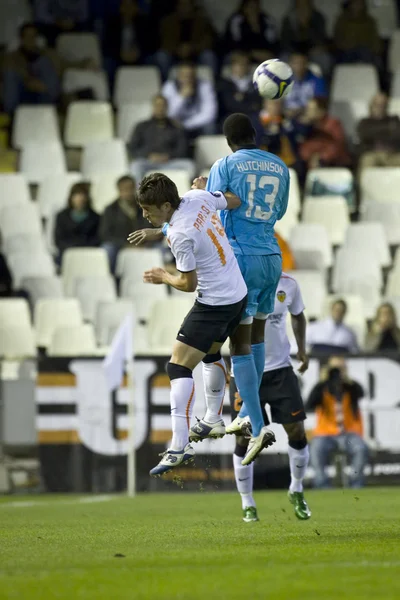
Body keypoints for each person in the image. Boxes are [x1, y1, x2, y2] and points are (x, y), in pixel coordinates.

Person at [127, 173, 275, 476]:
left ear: (167, 205)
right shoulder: (198, 197)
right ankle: (212, 418)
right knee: (209, 353)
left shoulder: (180, 234)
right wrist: (208, 189)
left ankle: (179, 446)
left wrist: (163, 276)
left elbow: (188, 283)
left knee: (178, 367)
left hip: (214, 304)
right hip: (238, 294)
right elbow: (233, 200)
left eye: (149, 209)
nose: (145, 214)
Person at [192, 113, 290, 466]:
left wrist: (204, 190)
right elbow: (278, 211)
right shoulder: (280, 166)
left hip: (241, 258)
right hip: (271, 255)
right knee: (259, 333)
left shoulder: (226, 164)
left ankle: (257, 422)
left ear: (228, 140)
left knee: (240, 342)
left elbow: (215, 213)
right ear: (253, 135)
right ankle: (250, 412)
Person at [229, 272, 310, 522]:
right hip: (245, 371)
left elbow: (298, 316)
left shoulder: (289, 284)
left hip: (281, 371)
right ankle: (247, 502)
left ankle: (296, 489)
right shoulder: (237, 280)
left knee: (296, 430)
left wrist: (302, 350)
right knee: (245, 438)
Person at [306, 356, 368, 488]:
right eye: (334, 369)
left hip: (349, 434)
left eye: (340, 368)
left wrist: (346, 378)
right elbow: (309, 404)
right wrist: (322, 381)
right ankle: (322, 485)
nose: (336, 372)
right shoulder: (322, 388)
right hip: (325, 434)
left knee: (361, 448)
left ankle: (356, 483)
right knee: (316, 449)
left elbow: (361, 393)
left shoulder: (350, 387)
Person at [128, 94, 194, 182]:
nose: (160, 108)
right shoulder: (142, 126)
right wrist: (148, 155)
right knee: (135, 166)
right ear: (153, 107)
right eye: (157, 105)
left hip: (170, 162)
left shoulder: (176, 127)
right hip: (148, 162)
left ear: (167, 108)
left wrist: (168, 156)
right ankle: (140, 195)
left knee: (190, 166)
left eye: (163, 105)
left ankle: (190, 195)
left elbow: (183, 149)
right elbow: (133, 148)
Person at [3, 22, 60, 114]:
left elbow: (65, 63)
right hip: (21, 91)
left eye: (33, 36)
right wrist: (28, 80)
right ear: (21, 39)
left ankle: (48, 113)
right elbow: (7, 72)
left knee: (44, 63)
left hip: (44, 92)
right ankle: (11, 116)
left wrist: (83, 63)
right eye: (27, 36)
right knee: (10, 74)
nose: (31, 40)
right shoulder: (11, 56)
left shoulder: (48, 54)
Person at [154, 0, 217, 81]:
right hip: (174, 55)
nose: (184, 8)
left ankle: (212, 86)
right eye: (181, 5)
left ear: (192, 6)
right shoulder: (167, 21)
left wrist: (191, 48)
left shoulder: (202, 21)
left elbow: (208, 40)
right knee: (161, 56)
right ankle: (166, 85)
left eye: (187, 5)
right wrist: (178, 49)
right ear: (177, 6)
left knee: (209, 56)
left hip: (196, 55)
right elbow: (164, 41)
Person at [99, 175, 149, 272]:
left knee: (162, 249)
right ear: (119, 190)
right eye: (125, 189)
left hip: (144, 244)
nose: (129, 192)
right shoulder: (110, 210)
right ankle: (113, 278)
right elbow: (105, 234)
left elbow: (153, 226)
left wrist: (143, 242)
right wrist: (126, 244)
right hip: (120, 245)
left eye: (131, 188)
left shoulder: (144, 206)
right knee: (108, 248)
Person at [103, 0, 153, 85]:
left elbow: (151, 44)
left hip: (140, 56)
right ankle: (110, 93)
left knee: (153, 59)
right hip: (118, 57)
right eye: (125, 6)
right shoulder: (112, 23)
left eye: (131, 6)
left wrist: (139, 53)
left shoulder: (145, 22)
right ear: (120, 8)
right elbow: (107, 46)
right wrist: (120, 54)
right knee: (107, 63)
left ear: (136, 8)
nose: (128, 9)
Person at [161, 61, 217, 138]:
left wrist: (186, 125)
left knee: (210, 127)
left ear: (195, 75)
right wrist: (181, 97)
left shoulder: (204, 85)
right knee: (166, 126)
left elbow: (209, 114)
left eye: (191, 76)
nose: (188, 79)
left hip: (197, 124)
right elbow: (168, 113)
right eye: (184, 75)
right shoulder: (169, 86)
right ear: (178, 75)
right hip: (176, 124)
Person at [280, 0, 332, 77]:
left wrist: (306, 25)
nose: (302, 7)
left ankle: (320, 83)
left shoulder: (318, 17)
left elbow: (321, 39)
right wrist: (295, 54)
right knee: (282, 60)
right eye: (300, 4)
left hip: (312, 51)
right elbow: (285, 41)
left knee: (325, 60)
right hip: (293, 52)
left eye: (305, 4)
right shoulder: (289, 18)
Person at [298, 97, 351, 169]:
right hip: (310, 161)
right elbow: (303, 147)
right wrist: (311, 157)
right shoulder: (306, 127)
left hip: (333, 163)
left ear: (321, 111)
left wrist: (321, 157)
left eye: (310, 110)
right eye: (307, 109)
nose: (307, 112)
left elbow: (337, 146)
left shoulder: (333, 124)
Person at [54, 183, 100, 264]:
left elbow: (97, 238)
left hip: (88, 253)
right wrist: (72, 248)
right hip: (67, 252)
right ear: (71, 198)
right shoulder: (61, 216)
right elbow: (59, 239)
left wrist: (83, 248)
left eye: (83, 195)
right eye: (77, 195)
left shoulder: (96, 217)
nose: (80, 199)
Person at [357, 93, 400, 173]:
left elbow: (397, 134)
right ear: (371, 106)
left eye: (383, 105)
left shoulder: (394, 120)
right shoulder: (364, 122)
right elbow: (365, 135)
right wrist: (388, 130)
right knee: (368, 162)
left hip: (393, 154)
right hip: (373, 153)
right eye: (377, 105)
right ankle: (365, 185)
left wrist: (376, 132)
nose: (380, 107)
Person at [334, 0, 381, 67]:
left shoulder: (370, 21)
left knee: (366, 53)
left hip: (366, 51)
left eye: (359, 4)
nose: (357, 6)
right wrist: (346, 45)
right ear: (350, 5)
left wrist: (374, 49)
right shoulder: (342, 20)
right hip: (346, 51)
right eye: (355, 3)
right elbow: (338, 39)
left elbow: (375, 41)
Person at [218, 52, 261, 124]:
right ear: (232, 66)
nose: (242, 67)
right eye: (239, 64)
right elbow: (229, 104)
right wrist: (249, 103)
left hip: (252, 117)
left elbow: (257, 104)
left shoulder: (256, 83)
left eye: (245, 64)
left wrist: (242, 98)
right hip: (231, 117)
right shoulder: (225, 84)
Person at [284, 51, 327, 119]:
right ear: (290, 64)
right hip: (285, 114)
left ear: (307, 64)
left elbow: (319, 103)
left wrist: (299, 111)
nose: (299, 66)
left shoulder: (317, 80)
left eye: (302, 63)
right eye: (295, 63)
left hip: (308, 115)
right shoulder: (282, 80)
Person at [258, 99, 297, 168]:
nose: (275, 107)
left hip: (284, 159)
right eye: (272, 104)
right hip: (261, 159)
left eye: (278, 104)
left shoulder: (285, 121)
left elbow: (293, 139)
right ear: (265, 104)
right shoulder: (256, 120)